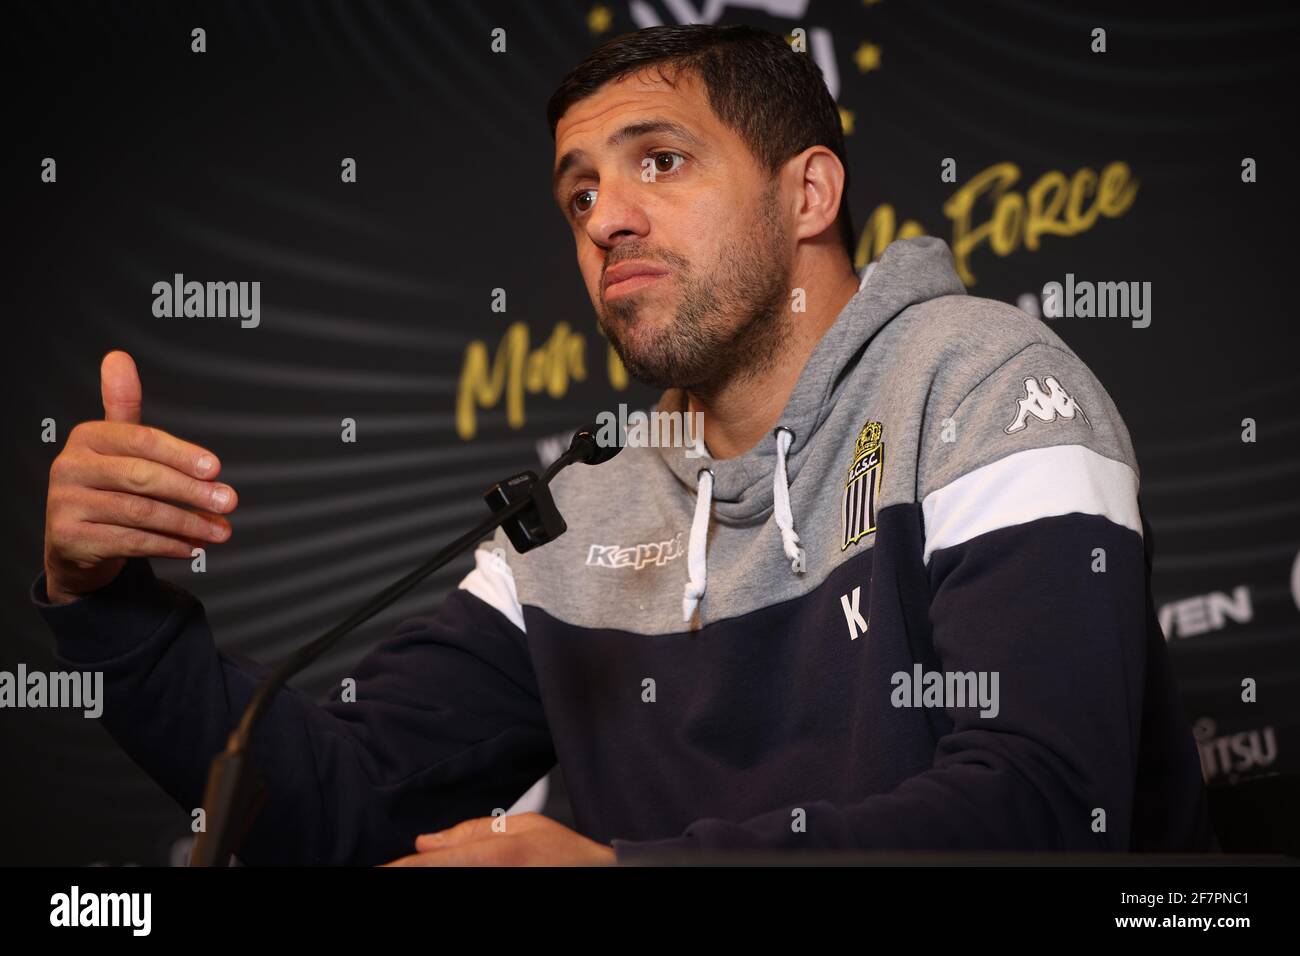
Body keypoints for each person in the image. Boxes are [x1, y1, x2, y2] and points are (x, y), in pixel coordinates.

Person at [33, 24, 1216, 866]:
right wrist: (110, 611)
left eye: (659, 160)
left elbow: (1050, 808)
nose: (608, 218)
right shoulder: (581, 508)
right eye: (580, 193)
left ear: (808, 194)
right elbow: (340, 799)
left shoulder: (985, 384)